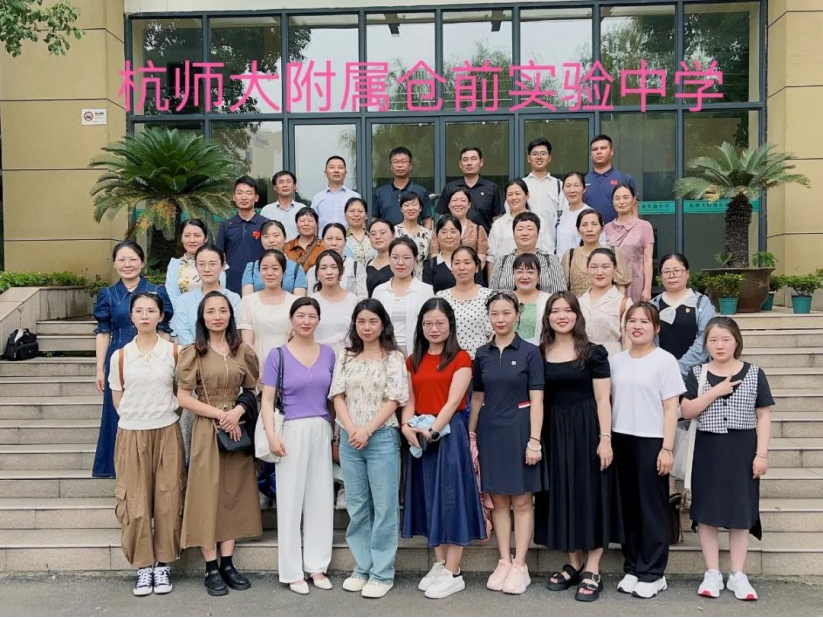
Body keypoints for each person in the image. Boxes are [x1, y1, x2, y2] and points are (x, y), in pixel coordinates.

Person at [681, 317, 773, 602]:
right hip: (707, 449)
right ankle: (712, 572)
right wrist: (715, 391)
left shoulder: (754, 373)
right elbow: (687, 411)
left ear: (736, 342)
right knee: (706, 512)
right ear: (705, 344)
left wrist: (761, 454)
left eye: (725, 339)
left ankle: (737, 574)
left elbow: (764, 416)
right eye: (713, 340)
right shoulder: (697, 373)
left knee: (740, 513)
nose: (719, 345)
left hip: (742, 448)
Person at [177, 291, 262, 596]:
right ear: (202, 317)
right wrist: (220, 415)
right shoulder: (193, 352)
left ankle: (228, 563)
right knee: (206, 494)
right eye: (211, 311)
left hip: (237, 430)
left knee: (233, 494)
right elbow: (183, 397)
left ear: (230, 315)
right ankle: (211, 567)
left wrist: (237, 412)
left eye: (223, 310)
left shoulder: (243, 351)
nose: (217, 316)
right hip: (206, 428)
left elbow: (252, 389)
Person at [401, 298, 486, 599]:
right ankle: (440, 564)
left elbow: (452, 402)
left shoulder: (461, 359)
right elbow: (410, 398)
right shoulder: (413, 359)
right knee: (429, 498)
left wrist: (433, 431)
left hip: (448, 435)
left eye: (439, 323)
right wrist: (406, 425)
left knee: (452, 499)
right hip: (420, 434)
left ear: (450, 324)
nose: (433, 329)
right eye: (428, 323)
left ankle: (453, 570)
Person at [536, 292, 618, 603]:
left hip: (587, 430)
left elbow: (603, 399)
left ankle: (593, 567)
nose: (561, 316)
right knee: (562, 493)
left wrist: (605, 439)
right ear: (547, 317)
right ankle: (574, 562)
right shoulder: (540, 353)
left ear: (577, 315)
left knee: (590, 493)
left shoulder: (594, 353)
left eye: (567, 310)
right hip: (553, 432)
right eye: (555, 311)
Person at [329, 299, 409, 599]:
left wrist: (367, 430)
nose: (366, 327)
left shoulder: (394, 357)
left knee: (385, 507)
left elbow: (395, 398)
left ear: (383, 324)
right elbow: (338, 395)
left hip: (382, 438)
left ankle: (382, 573)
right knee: (358, 505)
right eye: (361, 321)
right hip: (351, 439)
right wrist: (352, 429)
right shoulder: (346, 355)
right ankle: (362, 567)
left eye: (373, 321)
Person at [110, 292, 185, 597]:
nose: (145, 316)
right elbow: (117, 398)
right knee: (135, 503)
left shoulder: (174, 352)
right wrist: (136, 417)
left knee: (168, 500)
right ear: (131, 317)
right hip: (131, 433)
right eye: (139, 311)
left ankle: (163, 564)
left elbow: (181, 393)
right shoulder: (120, 356)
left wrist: (163, 414)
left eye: (151, 311)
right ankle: (143, 566)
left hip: (166, 430)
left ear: (161, 316)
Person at [470, 291, 544, 595]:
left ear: (517, 314)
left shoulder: (530, 352)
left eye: (506, 313)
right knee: (499, 500)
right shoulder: (481, 353)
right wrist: (471, 435)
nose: (500, 319)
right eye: (494, 314)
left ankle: (520, 564)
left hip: (520, 429)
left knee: (522, 500)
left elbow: (537, 399)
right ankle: (503, 560)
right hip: (490, 431)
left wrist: (535, 441)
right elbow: (477, 397)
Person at [260, 297, 336, 595]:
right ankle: (292, 571)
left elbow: (333, 399)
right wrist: (271, 435)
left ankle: (317, 565)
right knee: (290, 501)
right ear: (291, 319)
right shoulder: (277, 355)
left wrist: (335, 434)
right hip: (290, 430)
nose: (306, 321)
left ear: (319, 320)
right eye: (301, 315)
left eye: (312, 316)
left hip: (321, 428)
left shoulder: (329, 354)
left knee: (320, 498)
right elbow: (267, 399)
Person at [610, 303, 684, 599]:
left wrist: (667, 448)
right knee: (627, 507)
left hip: (652, 440)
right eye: (632, 321)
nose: (637, 326)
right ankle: (633, 567)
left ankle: (654, 573)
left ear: (656, 328)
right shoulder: (616, 361)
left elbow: (671, 408)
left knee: (651, 508)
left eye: (644, 321)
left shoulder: (665, 361)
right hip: (621, 438)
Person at [93, 241, 173, 478]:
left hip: (152, 357)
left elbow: (164, 330)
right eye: (121, 260)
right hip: (119, 358)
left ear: (142, 262)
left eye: (133, 259)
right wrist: (100, 369)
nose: (127, 264)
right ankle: (115, 466)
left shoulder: (157, 292)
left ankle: (152, 464)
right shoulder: (108, 294)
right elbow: (103, 332)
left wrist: (166, 360)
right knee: (116, 411)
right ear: (115, 264)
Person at [650, 253, 715, 379]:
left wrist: (679, 368)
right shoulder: (653, 305)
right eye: (666, 271)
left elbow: (706, 337)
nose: (672, 275)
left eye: (677, 270)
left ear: (687, 273)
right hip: (661, 374)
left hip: (696, 374)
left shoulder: (701, 302)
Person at [372, 237, 434, 356]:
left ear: (415, 259)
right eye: (395, 257)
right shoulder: (379, 291)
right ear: (389, 258)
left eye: (406, 258)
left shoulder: (426, 291)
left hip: (417, 352)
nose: (400, 263)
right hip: (384, 352)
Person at [237, 249, 299, 365]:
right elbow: (247, 342)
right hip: (257, 365)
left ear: (283, 272)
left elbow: (296, 340)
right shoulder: (248, 301)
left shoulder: (295, 302)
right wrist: (257, 367)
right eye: (264, 268)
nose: (269, 273)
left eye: (275, 268)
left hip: (289, 364)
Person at [172, 245, 241, 347]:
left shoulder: (234, 299)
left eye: (212, 264)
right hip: (193, 354)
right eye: (201, 264)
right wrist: (199, 353)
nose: (207, 269)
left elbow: (235, 332)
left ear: (222, 266)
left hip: (226, 353)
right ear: (196, 266)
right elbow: (183, 335)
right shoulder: (184, 300)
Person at [435, 246, 494, 359]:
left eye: (467, 263)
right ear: (451, 268)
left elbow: (495, 332)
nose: (461, 268)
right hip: (449, 359)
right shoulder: (441, 297)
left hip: (483, 359)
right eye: (457, 263)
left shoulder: (489, 296)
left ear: (477, 267)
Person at [489, 212, 566, 294]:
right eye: (520, 229)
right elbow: (493, 294)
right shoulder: (502, 261)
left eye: (530, 229)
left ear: (538, 234)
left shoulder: (551, 260)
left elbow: (560, 294)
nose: (525, 233)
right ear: (513, 234)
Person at [487, 179, 554, 271]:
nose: (514, 197)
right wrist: (491, 279)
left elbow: (548, 252)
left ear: (527, 195)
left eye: (518, 194)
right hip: (505, 275)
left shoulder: (540, 221)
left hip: (534, 274)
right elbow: (491, 257)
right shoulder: (498, 224)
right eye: (510, 194)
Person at [561, 209, 631, 298]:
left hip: (608, 305)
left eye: (594, 224)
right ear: (578, 230)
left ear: (602, 229)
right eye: (584, 225)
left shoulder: (615, 252)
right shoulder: (569, 255)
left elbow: (621, 286)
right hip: (577, 305)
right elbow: (563, 288)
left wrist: (619, 305)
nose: (589, 229)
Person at [217, 176, 267, 294]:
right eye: (239, 193)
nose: (244, 197)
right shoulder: (226, 226)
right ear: (234, 197)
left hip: (260, 282)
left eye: (248, 193)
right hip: (232, 284)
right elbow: (218, 255)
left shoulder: (266, 224)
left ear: (256, 198)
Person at [436, 146, 504, 234]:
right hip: (454, 239)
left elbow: (497, 219)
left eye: (473, 159)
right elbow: (442, 217)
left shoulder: (492, 188)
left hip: (483, 239)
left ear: (481, 162)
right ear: (460, 164)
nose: (469, 163)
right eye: (465, 160)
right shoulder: (450, 188)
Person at [605, 184, 654, 303]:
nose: (621, 202)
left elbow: (648, 260)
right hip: (612, 285)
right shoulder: (606, 229)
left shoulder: (645, 226)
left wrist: (647, 288)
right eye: (617, 198)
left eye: (625, 197)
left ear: (633, 200)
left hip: (636, 283)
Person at [579, 248, 632, 357]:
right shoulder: (578, 301)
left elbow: (628, 342)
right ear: (587, 269)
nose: (599, 272)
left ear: (615, 269)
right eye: (594, 267)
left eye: (605, 267)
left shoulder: (624, 303)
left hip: (611, 358)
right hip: (582, 358)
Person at [165, 218, 226, 312]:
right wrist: (185, 314)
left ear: (206, 238)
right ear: (181, 238)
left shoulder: (217, 263)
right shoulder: (174, 265)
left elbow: (220, 291)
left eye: (197, 235)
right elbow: (172, 295)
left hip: (212, 315)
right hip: (181, 315)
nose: (192, 240)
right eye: (187, 235)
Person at [311, 250, 360, 355]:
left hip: (347, 357)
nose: (329, 272)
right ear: (317, 272)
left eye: (334, 267)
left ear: (341, 271)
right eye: (323, 268)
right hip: (317, 357)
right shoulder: (311, 302)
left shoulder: (354, 301)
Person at [241, 220, 308, 297]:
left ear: (285, 238)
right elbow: (247, 300)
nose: (271, 240)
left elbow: (299, 301)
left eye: (276, 235)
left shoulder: (296, 268)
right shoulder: (252, 268)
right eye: (266, 236)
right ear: (261, 240)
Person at [373, 147, 433, 227]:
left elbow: (427, 219)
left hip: (413, 234)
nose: (400, 165)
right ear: (390, 166)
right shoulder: (380, 192)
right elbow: (375, 218)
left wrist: (426, 234)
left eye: (404, 161)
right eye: (396, 162)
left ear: (410, 165)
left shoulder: (421, 191)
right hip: (387, 234)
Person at [522, 137, 569, 242]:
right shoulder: (520, 185)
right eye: (535, 154)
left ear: (550, 158)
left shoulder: (559, 185)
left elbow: (565, 216)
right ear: (529, 159)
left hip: (551, 244)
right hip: (525, 243)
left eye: (543, 154)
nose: (539, 157)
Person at [306, 223, 368, 299]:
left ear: (345, 242)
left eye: (338, 239)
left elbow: (363, 298)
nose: (334, 243)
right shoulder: (313, 270)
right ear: (322, 242)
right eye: (329, 239)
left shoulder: (356, 267)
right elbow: (311, 297)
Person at [430, 188, 488, 268]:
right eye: (454, 200)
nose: (458, 204)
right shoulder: (439, 229)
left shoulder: (478, 230)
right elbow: (434, 254)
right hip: (443, 273)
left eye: (463, 200)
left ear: (469, 205)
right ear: (449, 204)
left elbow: (481, 258)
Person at [585, 135, 638, 224]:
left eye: (603, 148)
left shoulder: (625, 179)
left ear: (612, 151)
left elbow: (634, 211)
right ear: (591, 154)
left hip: (620, 231)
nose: (599, 152)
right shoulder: (583, 182)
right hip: (590, 231)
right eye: (595, 149)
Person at [423, 215, 481, 294]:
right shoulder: (430, 265)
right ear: (437, 236)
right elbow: (427, 294)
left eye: (453, 232)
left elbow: (480, 289)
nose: (449, 236)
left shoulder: (473, 261)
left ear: (460, 234)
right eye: (444, 232)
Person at [311, 155, 361, 232]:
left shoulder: (355, 197)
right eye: (332, 167)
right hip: (323, 239)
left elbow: (361, 222)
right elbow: (313, 224)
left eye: (340, 167)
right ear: (325, 173)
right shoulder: (317, 198)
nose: (336, 170)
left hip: (349, 239)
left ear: (345, 173)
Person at [555, 172, 599, 258]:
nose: (572, 190)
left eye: (576, 185)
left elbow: (600, 245)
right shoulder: (560, 216)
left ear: (584, 189)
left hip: (583, 264)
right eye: (568, 186)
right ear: (563, 189)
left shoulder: (592, 214)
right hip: (560, 264)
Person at [512, 253, 550, 346]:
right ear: (513, 275)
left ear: (538, 277)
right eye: (520, 272)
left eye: (530, 272)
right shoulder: (504, 299)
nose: (525, 277)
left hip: (540, 351)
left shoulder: (549, 300)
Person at [395, 191, 433, 277]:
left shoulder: (428, 234)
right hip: (401, 278)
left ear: (420, 208)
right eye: (406, 205)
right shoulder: (394, 232)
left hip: (424, 279)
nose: (410, 208)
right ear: (401, 209)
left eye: (414, 204)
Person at [260, 170, 301, 241]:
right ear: (275, 187)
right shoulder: (267, 210)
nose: (285, 185)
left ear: (294, 186)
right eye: (281, 182)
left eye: (288, 181)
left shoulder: (301, 209)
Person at [284, 207, 326, 274]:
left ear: (316, 224)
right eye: (302, 221)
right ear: (296, 225)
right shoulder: (286, 247)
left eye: (310, 221)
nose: (306, 224)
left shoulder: (324, 246)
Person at [366, 218, 395, 297]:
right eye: (373, 234)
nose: (378, 237)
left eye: (382, 232)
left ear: (393, 235)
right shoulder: (369, 264)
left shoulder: (399, 262)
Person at [345, 197, 377, 267]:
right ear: (345, 215)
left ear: (366, 215)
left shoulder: (374, 237)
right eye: (352, 211)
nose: (356, 214)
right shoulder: (341, 238)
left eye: (360, 211)